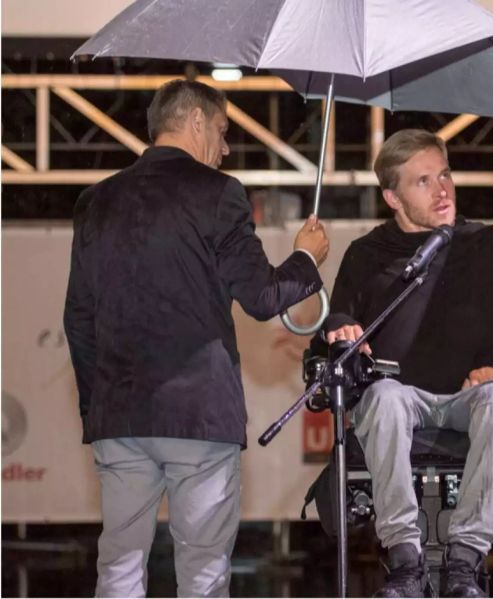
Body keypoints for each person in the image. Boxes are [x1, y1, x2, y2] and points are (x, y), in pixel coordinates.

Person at [63, 79, 329, 598]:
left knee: (118, 566)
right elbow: (263, 297)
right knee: (203, 572)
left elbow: (79, 318)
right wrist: (306, 259)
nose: (226, 148)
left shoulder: (96, 201)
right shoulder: (220, 194)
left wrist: (98, 410)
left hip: (119, 418)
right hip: (199, 417)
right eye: (225, 132)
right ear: (197, 121)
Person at [314, 129, 493, 598]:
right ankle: (404, 560)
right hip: (401, 398)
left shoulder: (487, 243)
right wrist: (340, 331)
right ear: (392, 196)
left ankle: (465, 559)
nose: (442, 191)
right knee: (386, 397)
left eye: (445, 175)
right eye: (423, 181)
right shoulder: (366, 255)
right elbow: (335, 325)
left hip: (467, 397)